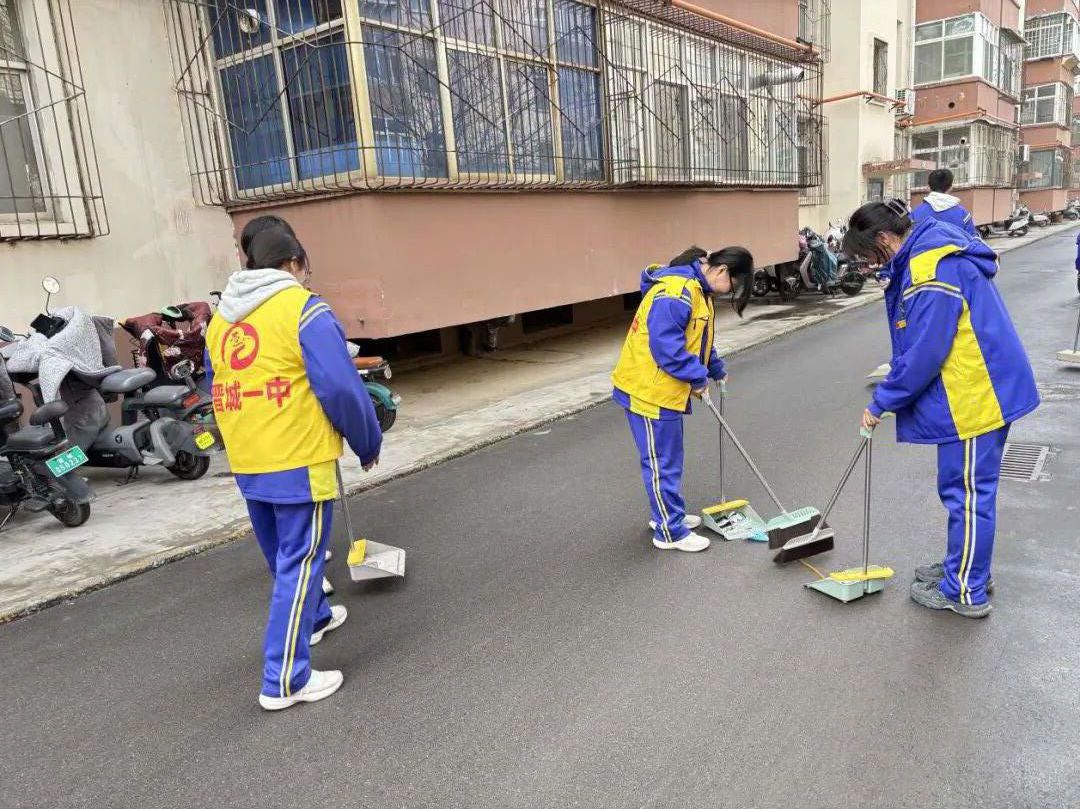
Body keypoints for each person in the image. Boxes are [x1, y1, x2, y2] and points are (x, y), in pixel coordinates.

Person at [206, 226, 382, 709]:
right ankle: (284, 679)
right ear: (294, 263)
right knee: (301, 562)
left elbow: (215, 387)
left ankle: (317, 617)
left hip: (248, 458)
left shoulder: (221, 322)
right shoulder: (305, 310)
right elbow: (341, 388)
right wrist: (367, 441)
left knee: (283, 556)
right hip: (298, 456)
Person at [844, 199, 1039, 618]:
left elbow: (925, 352)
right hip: (979, 388)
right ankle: (965, 568)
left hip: (974, 395)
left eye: (869, 254)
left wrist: (882, 401)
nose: (871, 264)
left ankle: (965, 590)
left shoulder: (929, 270)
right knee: (964, 491)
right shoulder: (932, 246)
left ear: (884, 238)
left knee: (966, 496)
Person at [611, 245, 754, 552]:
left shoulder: (700, 290)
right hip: (647, 391)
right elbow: (668, 349)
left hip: (664, 389)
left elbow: (697, 339)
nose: (730, 291)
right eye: (733, 285)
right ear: (721, 270)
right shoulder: (676, 294)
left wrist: (714, 367)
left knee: (669, 459)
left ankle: (667, 515)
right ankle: (669, 531)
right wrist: (697, 378)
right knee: (661, 462)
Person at [910, 169, 978, 237]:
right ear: (950, 187)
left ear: (928, 187)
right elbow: (973, 239)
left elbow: (908, 239)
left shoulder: (915, 213)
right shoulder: (963, 214)